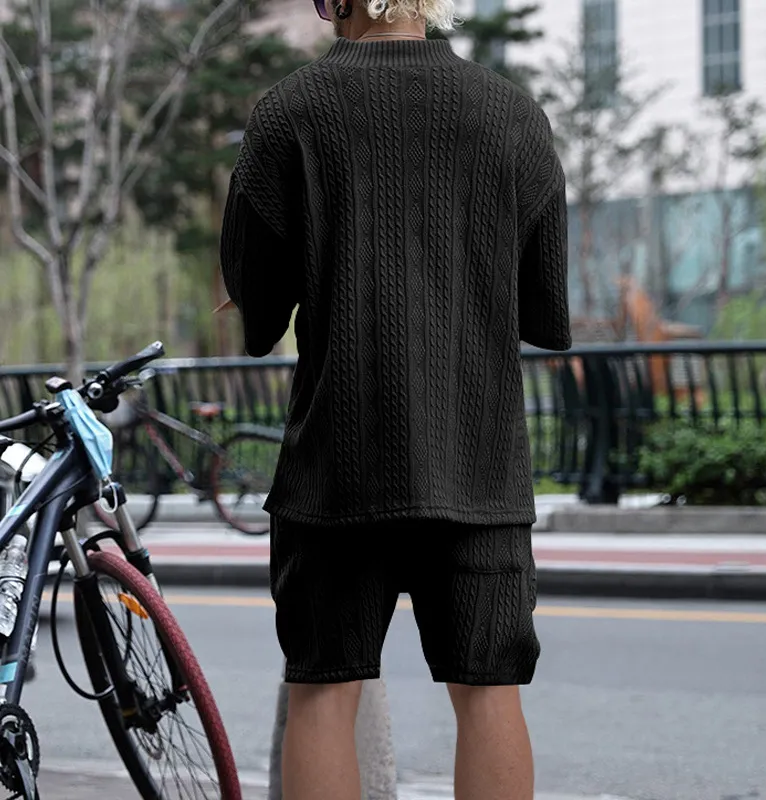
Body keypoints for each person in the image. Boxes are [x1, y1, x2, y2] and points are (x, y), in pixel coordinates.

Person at [219, 0, 571, 795]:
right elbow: (545, 306)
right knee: (489, 693)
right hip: (477, 465)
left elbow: (259, 313)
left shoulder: (289, 112)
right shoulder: (512, 115)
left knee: (323, 691)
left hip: (336, 471)